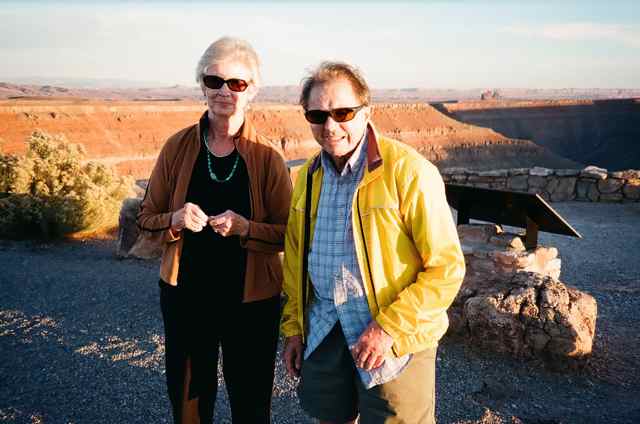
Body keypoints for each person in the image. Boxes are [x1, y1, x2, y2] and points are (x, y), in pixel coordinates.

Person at [281, 61, 466, 424]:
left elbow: (446, 269)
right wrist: (293, 329)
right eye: (317, 115)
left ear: (367, 112)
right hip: (324, 329)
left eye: (343, 113)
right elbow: (295, 261)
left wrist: (387, 328)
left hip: (392, 337)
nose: (330, 126)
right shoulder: (307, 177)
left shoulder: (409, 172)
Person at [137, 37, 292, 423]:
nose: (224, 91)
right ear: (202, 86)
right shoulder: (177, 147)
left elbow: (289, 232)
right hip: (186, 296)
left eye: (236, 83)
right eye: (214, 81)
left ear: (252, 90)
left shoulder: (268, 157)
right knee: (188, 402)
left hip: (251, 302)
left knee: (251, 404)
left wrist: (246, 227)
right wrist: (174, 219)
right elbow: (146, 217)